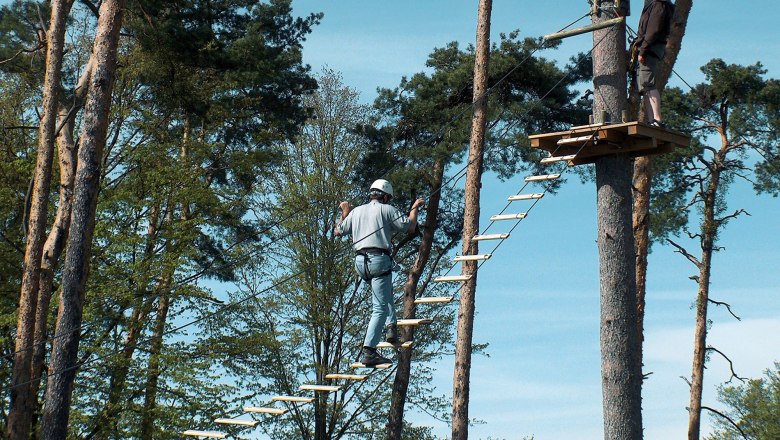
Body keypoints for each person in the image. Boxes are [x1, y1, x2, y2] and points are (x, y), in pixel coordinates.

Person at [335, 179, 425, 366]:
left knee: (384, 295)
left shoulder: (357, 211)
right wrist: (415, 208)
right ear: (384, 196)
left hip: (360, 263)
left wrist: (345, 212)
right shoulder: (387, 209)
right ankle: (369, 351)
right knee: (380, 308)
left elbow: (338, 231)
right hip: (378, 260)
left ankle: (391, 328)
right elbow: (409, 226)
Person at [632, 0, 674, 127]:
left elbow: (653, 30)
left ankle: (657, 119)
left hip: (650, 50)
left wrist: (643, 50)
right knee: (645, 88)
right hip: (648, 49)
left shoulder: (659, 5)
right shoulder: (654, 4)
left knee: (648, 84)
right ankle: (651, 121)